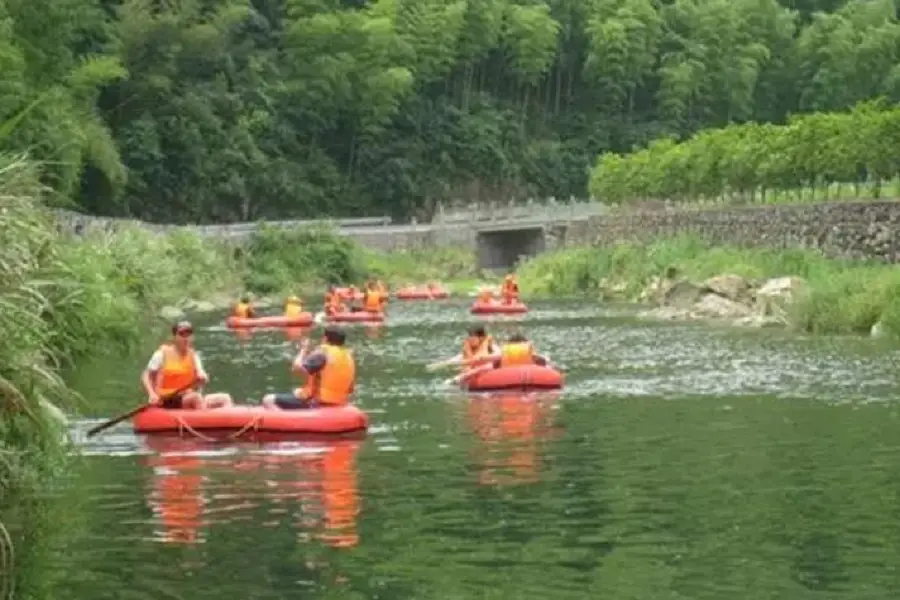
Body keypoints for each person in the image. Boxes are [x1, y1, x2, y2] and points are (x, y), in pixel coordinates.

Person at [141, 321, 234, 409]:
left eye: (189, 335)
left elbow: (201, 374)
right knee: (195, 397)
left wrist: (202, 378)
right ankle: (205, 422)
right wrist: (152, 394)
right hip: (166, 398)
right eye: (181, 335)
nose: (186, 338)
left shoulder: (194, 355)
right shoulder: (161, 354)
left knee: (225, 398)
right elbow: (146, 375)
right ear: (174, 337)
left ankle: (230, 423)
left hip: (187, 395)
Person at [261, 326, 356, 410]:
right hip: (339, 401)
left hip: (317, 401)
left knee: (268, 399)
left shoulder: (322, 353)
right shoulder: (348, 357)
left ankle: (286, 422)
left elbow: (296, 368)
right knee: (297, 391)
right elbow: (351, 389)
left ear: (325, 338)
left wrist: (303, 350)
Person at [450, 332, 548, 386]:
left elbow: (484, 364)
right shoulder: (506, 355)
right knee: (488, 366)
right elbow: (546, 363)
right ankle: (461, 377)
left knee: (487, 367)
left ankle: (460, 378)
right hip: (509, 371)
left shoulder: (530, 355)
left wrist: (480, 358)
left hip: (508, 372)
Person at [426, 326, 496, 371]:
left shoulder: (492, 347)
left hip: (486, 368)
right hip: (472, 368)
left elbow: (495, 356)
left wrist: (481, 358)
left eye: (473, 337)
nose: (470, 339)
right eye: (470, 336)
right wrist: (443, 364)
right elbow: (458, 359)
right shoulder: (468, 348)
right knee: (450, 363)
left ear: (481, 338)